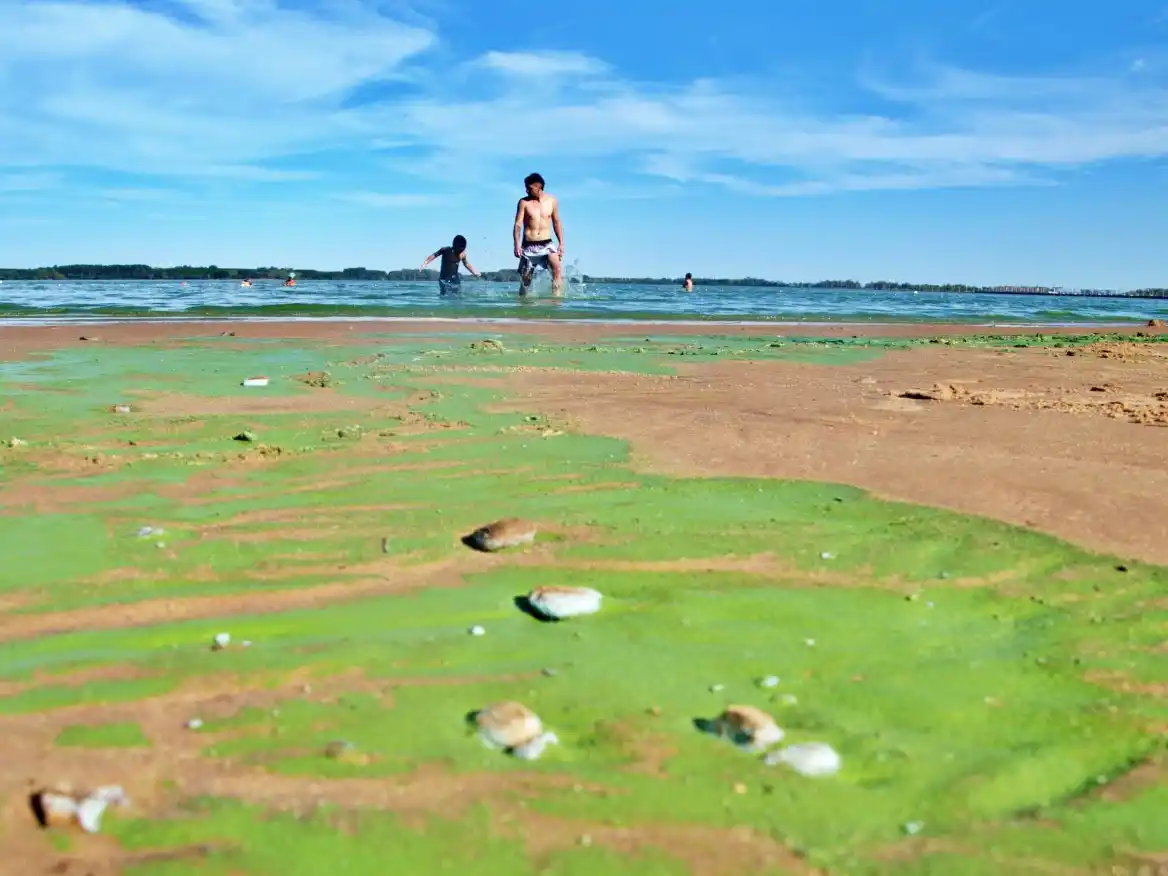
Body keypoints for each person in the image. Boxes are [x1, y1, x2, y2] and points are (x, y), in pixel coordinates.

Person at [513, 172, 564, 297]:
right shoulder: (523, 202)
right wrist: (516, 245)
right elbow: (518, 224)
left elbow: (556, 222)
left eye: (529, 188)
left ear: (538, 186)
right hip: (528, 245)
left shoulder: (552, 201)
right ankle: (523, 306)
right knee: (526, 279)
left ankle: (555, 302)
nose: (526, 190)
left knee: (557, 271)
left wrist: (561, 244)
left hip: (547, 243)